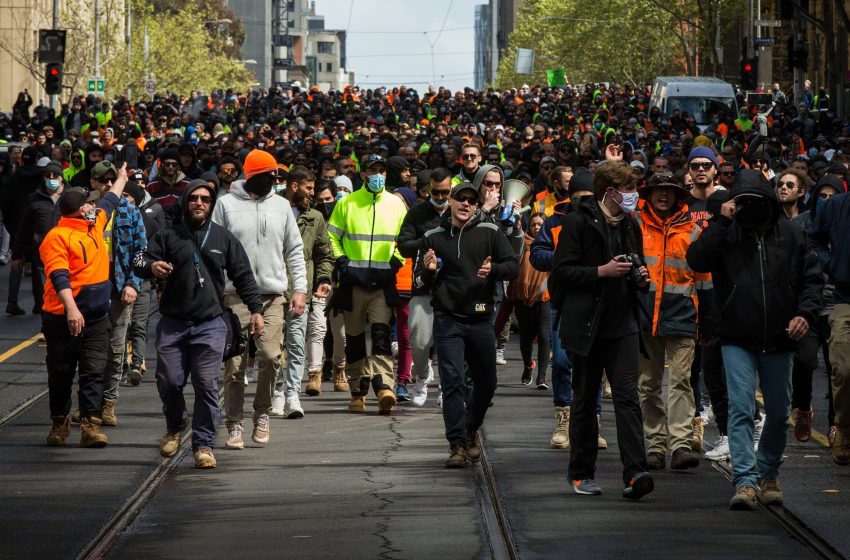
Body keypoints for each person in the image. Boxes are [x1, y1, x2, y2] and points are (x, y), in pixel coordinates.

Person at [687, 169, 823, 509]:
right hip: (737, 336)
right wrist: (721, 221)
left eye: (756, 202)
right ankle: (745, 480)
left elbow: (812, 279)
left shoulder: (790, 235)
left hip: (779, 337)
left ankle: (768, 473)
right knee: (741, 408)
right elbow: (696, 259)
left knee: (778, 412)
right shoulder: (727, 233)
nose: (751, 209)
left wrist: (804, 314)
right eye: (743, 203)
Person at [134, 181, 265, 469]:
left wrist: (256, 310)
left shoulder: (223, 238)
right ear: (185, 202)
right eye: (193, 198)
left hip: (210, 324)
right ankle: (174, 424)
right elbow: (139, 258)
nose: (199, 203)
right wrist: (151, 267)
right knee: (169, 381)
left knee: (206, 385)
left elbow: (243, 276)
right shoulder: (168, 235)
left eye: (205, 199)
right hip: (173, 323)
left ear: (211, 203)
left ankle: (203, 445)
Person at [550, 159, 655, 500]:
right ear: (609, 192)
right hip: (586, 326)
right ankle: (581, 473)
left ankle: (635, 472)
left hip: (623, 323)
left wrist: (640, 278)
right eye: (628, 190)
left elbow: (635, 261)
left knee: (627, 398)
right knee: (584, 399)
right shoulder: (578, 222)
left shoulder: (630, 225)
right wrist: (601, 271)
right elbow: (560, 274)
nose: (633, 196)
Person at [414, 180, 518, 467]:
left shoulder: (491, 232)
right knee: (453, 383)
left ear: (476, 204)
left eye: (472, 200)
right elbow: (418, 280)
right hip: (448, 320)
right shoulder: (433, 236)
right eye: (461, 198)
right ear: (450, 201)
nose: (466, 204)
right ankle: (457, 444)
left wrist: (493, 270)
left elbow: (513, 265)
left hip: (481, 319)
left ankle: (471, 427)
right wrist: (431, 272)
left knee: (487, 382)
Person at [212, 150, 307, 447]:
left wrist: (300, 289)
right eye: (271, 176)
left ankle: (262, 412)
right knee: (235, 365)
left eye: (278, 176)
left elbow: (294, 250)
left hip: (273, 295)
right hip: (234, 297)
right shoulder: (225, 205)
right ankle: (235, 423)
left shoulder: (281, 206)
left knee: (269, 357)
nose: (276, 181)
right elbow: (212, 250)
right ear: (252, 176)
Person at [40, 163, 129, 447]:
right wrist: (71, 309)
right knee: (61, 372)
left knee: (93, 371)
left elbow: (111, 199)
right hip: (62, 317)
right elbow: (58, 276)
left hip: (95, 317)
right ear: (81, 209)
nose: (95, 205)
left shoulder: (94, 224)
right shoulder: (57, 236)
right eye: (90, 203)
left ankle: (90, 426)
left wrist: (123, 178)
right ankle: (59, 422)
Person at [530, 167, 607, 450]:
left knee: (592, 365)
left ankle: (592, 422)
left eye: (588, 197)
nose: (583, 202)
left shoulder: (605, 220)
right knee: (562, 361)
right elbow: (537, 255)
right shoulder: (553, 222)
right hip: (561, 303)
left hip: (595, 303)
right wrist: (565, 259)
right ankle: (564, 417)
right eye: (578, 197)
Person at [635, 172, 707, 471]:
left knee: (681, 383)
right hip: (644, 317)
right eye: (657, 190)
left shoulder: (692, 231)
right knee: (648, 384)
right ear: (649, 194)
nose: (663, 195)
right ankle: (654, 445)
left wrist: (706, 322)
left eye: (669, 191)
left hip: (682, 317)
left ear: (678, 196)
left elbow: (704, 281)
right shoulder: (635, 226)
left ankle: (679, 445)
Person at [327, 153, 406, 414]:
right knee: (355, 338)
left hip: (383, 284)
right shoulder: (347, 203)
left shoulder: (396, 204)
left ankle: (384, 387)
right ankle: (357, 392)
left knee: (382, 336)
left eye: (382, 170)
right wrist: (342, 263)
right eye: (373, 170)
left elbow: (405, 241)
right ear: (363, 174)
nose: (378, 175)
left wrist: (395, 262)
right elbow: (332, 237)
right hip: (353, 284)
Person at [89, 161, 147, 426]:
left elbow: (141, 252)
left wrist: (132, 284)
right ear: (94, 183)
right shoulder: (87, 210)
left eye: (113, 180)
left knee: (115, 351)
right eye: (104, 180)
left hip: (118, 289)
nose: (109, 185)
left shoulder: (130, 210)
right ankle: (89, 404)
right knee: (89, 352)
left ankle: (108, 404)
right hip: (90, 291)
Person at [273, 166, 334, 409]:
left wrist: (323, 279)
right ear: (294, 186)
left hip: (301, 290)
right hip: (274, 290)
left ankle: (292, 393)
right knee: (274, 346)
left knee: (297, 343)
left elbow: (324, 254)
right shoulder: (273, 209)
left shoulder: (315, 217)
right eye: (308, 188)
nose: (312, 193)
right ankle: (276, 391)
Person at [397, 167, 452, 406]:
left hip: (452, 287)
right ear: (429, 189)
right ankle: (422, 375)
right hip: (422, 287)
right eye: (436, 192)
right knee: (419, 342)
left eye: (445, 193)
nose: (441, 198)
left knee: (450, 343)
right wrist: (428, 239)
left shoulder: (459, 210)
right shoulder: (418, 213)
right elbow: (403, 246)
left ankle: (446, 386)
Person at [809, 172, 850, 467]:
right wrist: (831, 263)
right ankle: (845, 428)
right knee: (844, 368)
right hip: (845, 299)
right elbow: (815, 239)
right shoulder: (836, 206)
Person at [123, 173, 166, 385]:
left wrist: (160, 285)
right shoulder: (115, 220)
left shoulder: (149, 223)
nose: (125, 200)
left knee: (139, 324)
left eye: (128, 196)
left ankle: (136, 364)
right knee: (123, 326)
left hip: (144, 282)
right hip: (121, 281)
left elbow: (157, 255)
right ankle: (122, 364)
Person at [10, 159, 64, 314]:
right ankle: (46, 325)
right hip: (41, 254)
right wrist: (17, 254)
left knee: (63, 291)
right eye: (48, 175)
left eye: (55, 175)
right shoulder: (34, 198)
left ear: (61, 177)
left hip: (66, 253)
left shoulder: (70, 196)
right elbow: (24, 228)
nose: (52, 178)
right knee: (44, 294)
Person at [510, 212, 551, 388]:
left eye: (540, 224)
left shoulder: (551, 245)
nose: (536, 227)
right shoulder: (522, 244)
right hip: (521, 298)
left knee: (544, 336)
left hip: (543, 298)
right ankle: (528, 365)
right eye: (533, 224)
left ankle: (542, 377)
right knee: (525, 338)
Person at [3, 146, 43, 315]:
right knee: (37, 267)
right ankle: (39, 302)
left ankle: (12, 301)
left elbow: (6, 206)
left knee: (16, 264)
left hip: (18, 229)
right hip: (36, 229)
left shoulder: (13, 178)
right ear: (35, 160)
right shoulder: (41, 177)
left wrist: (12, 229)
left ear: (22, 159)